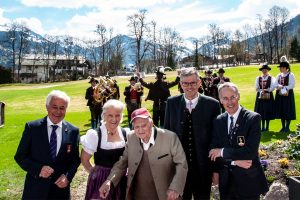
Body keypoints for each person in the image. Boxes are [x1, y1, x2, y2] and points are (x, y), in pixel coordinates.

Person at [99, 107, 188, 200]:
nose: (140, 130)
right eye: (137, 126)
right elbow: (122, 163)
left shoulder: (170, 137)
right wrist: (109, 181)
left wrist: (175, 187)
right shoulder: (131, 137)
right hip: (138, 195)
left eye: (143, 125)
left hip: (165, 195)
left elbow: (181, 164)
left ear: (151, 123)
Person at [164, 67, 220, 200]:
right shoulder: (172, 103)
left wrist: (215, 169)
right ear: (180, 84)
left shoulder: (213, 104)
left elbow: (217, 139)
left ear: (200, 83)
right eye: (185, 83)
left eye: (193, 83)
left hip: (203, 168)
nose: (189, 87)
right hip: (179, 168)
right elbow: (166, 136)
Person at [14, 90, 80, 200]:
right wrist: (38, 169)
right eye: (54, 107)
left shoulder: (73, 131)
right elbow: (20, 156)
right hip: (35, 190)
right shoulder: (32, 128)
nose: (58, 111)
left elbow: (75, 160)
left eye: (62, 108)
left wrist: (68, 176)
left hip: (60, 191)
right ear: (47, 107)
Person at [209, 82, 269, 200]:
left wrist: (222, 152)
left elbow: (250, 152)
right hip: (226, 183)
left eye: (233, 97)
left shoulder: (252, 118)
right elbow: (212, 152)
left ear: (239, 96)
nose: (230, 102)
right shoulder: (218, 121)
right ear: (220, 100)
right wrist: (234, 162)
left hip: (248, 183)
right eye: (225, 98)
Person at [81, 99, 128, 200]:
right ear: (104, 115)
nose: (114, 119)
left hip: (120, 177)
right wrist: (95, 174)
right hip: (101, 179)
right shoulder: (95, 135)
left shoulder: (125, 133)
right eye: (110, 115)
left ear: (122, 116)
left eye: (117, 115)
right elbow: (84, 159)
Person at [274, 56, 296, 132]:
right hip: (280, 95)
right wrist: (279, 86)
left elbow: (292, 85)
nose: (280, 68)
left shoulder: (291, 75)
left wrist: (285, 88)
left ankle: (287, 127)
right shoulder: (278, 75)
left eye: (281, 67)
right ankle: (283, 126)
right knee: (281, 111)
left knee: (288, 110)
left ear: (285, 68)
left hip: (287, 94)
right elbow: (275, 84)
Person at [254, 64, 276, 132]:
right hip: (260, 96)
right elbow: (256, 87)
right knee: (261, 111)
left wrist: (266, 90)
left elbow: (273, 87)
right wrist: (261, 90)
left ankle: (267, 126)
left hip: (268, 96)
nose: (264, 71)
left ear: (268, 70)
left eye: (265, 70)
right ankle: (262, 126)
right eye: (263, 70)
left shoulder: (271, 78)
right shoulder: (258, 78)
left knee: (267, 111)